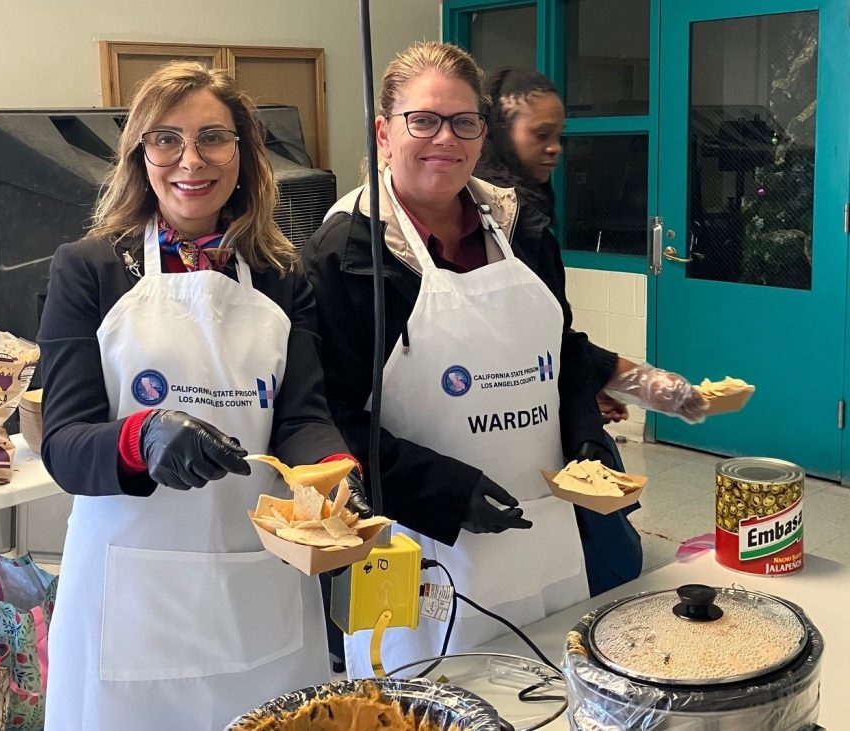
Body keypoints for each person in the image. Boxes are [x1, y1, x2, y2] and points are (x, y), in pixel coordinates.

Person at [38, 61, 369, 729]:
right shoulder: (90, 268)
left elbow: (300, 417)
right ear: (141, 156)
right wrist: (144, 435)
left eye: (214, 137)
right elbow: (64, 443)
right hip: (132, 603)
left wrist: (339, 478)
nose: (191, 159)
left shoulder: (281, 277)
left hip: (260, 590)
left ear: (245, 154)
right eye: (166, 139)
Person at [302, 41, 616, 678]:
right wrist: (443, 490)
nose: (444, 138)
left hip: (546, 529)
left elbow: (561, 352)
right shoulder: (347, 252)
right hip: (414, 543)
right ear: (385, 132)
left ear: (482, 134)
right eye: (424, 120)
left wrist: (585, 434)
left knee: (551, 686)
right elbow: (324, 417)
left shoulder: (521, 229)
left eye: (463, 122)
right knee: (426, 698)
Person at [475, 67, 708, 427]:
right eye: (540, 135)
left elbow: (551, 335)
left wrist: (586, 386)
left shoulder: (529, 212)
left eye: (558, 135)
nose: (554, 148)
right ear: (500, 134)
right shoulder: (498, 221)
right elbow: (527, 336)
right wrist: (637, 380)